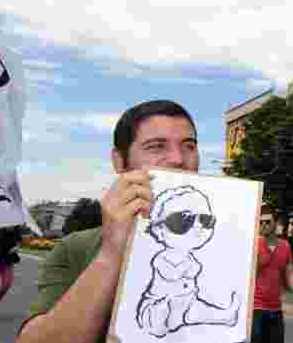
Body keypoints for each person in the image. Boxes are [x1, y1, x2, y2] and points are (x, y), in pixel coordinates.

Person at [16, 99, 200, 343]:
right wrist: (112, 253)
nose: (178, 159)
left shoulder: (231, 241)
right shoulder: (76, 248)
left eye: (189, 146)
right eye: (156, 147)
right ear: (119, 161)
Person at [252, 206, 293, 343]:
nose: (263, 225)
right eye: (260, 222)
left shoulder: (285, 246)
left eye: (268, 222)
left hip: (276, 309)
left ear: (275, 223)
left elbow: (290, 273)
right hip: (256, 309)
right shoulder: (253, 245)